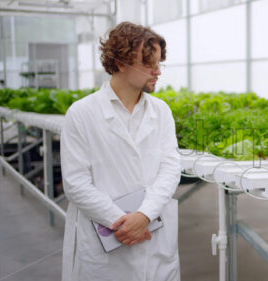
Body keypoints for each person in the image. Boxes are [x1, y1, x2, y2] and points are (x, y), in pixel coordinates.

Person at [60, 22, 181, 281]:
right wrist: (125, 222)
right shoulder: (81, 113)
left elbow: (170, 168)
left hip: (154, 235)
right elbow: (75, 183)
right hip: (108, 241)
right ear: (121, 62)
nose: (157, 71)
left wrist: (145, 215)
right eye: (149, 64)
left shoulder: (161, 111)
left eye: (159, 63)